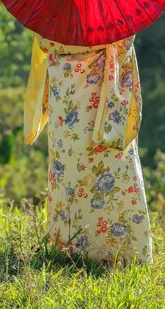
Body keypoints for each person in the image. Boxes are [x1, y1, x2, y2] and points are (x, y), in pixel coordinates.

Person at [24, 31, 153, 266]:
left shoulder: (54, 3)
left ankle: (69, 247)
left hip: (65, 83)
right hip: (103, 83)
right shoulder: (111, 3)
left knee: (71, 165)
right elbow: (125, 36)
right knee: (110, 166)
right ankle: (124, 251)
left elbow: (45, 40)